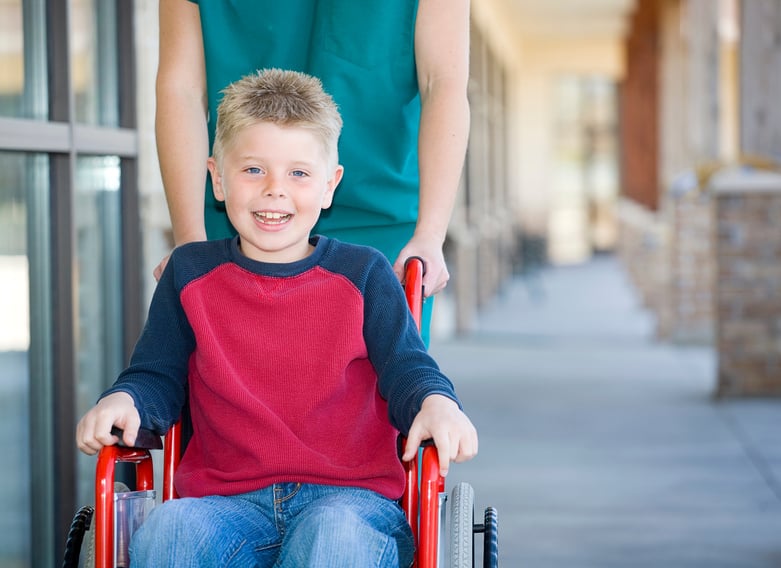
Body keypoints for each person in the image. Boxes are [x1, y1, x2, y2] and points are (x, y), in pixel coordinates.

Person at [77, 69, 477, 567]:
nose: (274, 190)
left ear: (330, 186)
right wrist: (125, 398)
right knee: (169, 531)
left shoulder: (364, 272)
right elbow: (156, 374)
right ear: (218, 179)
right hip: (226, 503)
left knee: (335, 539)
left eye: (298, 173)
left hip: (347, 500)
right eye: (252, 171)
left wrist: (437, 402)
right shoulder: (191, 273)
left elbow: (406, 367)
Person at [154, 0, 471, 345]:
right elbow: (180, 88)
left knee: (388, 387)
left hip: (382, 230)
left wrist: (430, 234)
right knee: (228, 388)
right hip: (244, 222)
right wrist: (189, 241)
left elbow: (443, 84)